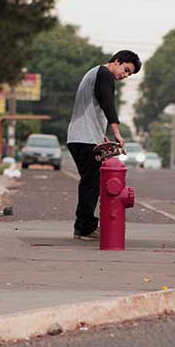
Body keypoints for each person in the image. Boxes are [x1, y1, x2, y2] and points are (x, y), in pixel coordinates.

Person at [67, 50, 141, 240]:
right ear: (116, 61)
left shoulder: (95, 74)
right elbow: (108, 104)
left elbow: (95, 108)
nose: (124, 76)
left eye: (129, 74)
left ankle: (84, 225)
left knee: (90, 182)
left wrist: (102, 136)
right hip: (84, 138)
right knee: (91, 184)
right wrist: (116, 132)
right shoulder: (104, 73)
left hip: (83, 137)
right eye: (126, 70)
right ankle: (85, 228)